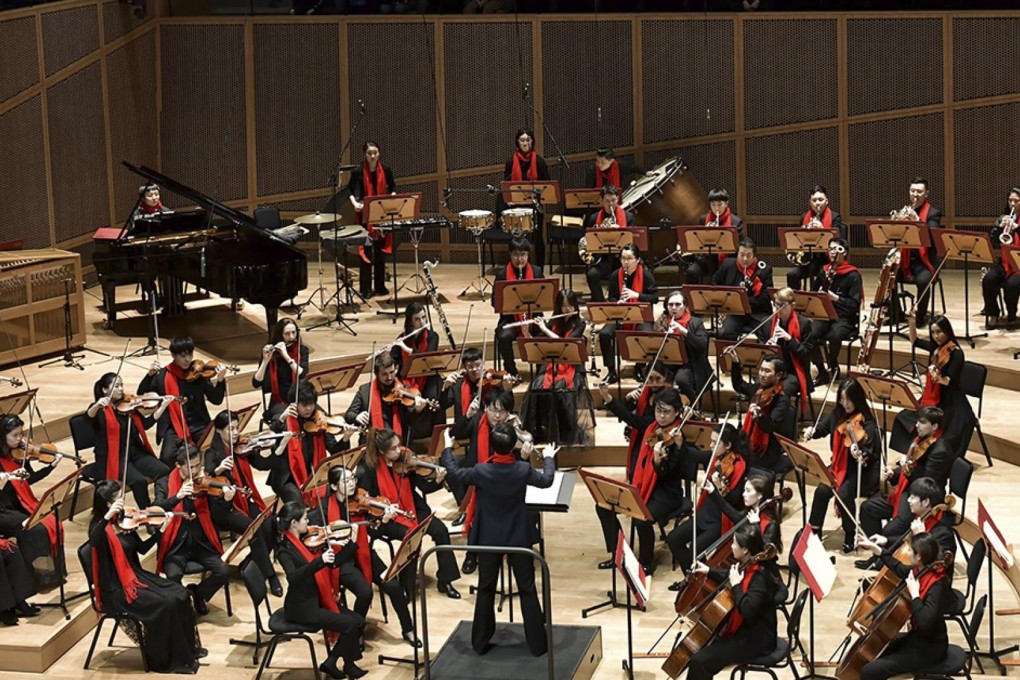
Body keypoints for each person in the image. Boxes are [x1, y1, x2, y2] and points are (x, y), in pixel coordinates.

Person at [441, 423, 557, 656]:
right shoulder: (522, 470)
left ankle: (480, 643)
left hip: (489, 539)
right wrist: (549, 458)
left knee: (486, 588)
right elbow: (547, 481)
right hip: (518, 538)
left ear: (492, 446)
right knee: (527, 588)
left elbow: (453, 472)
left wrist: (447, 447)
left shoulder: (481, 471)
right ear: (512, 444)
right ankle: (537, 644)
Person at [88, 480, 204, 673]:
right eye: (119, 498)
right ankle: (166, 659)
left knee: (180, 594)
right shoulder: (99, 527)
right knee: (166, 604)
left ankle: (187, 651)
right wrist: (107, 517)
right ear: (108, 504)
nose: (124, 501)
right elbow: (93, 541)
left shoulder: (123, 520)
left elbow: (142, 549)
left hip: (137, 575)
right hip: (117, 588)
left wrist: (160, 531)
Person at [307, 465, 420, 647]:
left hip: (363, 552)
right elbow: (314, 538)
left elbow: (373, 533)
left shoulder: (361, 502)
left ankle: (408, 629)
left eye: (353, 479)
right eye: (346, 481)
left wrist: (382, 521)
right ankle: (356, 631)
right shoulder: (323, 509)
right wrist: (331, 536)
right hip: (342, 560)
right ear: (334, 486)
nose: (352, 484)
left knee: (393, 586)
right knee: (364, 593)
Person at [596, 386, 696, 574]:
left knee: (642, 519)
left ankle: (645, 562)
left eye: (667, 412)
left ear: (677, 412)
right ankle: (618, 553)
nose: (661, 416)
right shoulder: (651, 427)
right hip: (642, 487)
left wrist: (660, 460)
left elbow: (668, 474)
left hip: (667, 495)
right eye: (659, 410)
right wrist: (608, 398)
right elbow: (631, 419)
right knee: (603, 506)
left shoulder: (680, 440)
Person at [358, 427, 462, 598]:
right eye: (394, 449)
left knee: (440, 530)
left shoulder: (407, 460)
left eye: (399, 445)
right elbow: (366, 501)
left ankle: (445, 580)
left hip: (412, 508)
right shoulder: (369, 469)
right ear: (382, 451)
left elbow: (424, 487)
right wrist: (383, 513)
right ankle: (405, 586)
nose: (399, 450)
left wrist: (438, 479)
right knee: (412, 536)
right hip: (386, 518)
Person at [275, 502, 367, 679]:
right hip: (302, 607)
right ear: (294, 523)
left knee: (358, 621)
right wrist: (320, 561)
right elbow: (293, 577)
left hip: (317, 598)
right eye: (304, 519)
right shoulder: (284, 550)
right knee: (350, 624)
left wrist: (351, 545)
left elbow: (333, 563)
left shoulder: (306, 541)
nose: (308, 522)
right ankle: (335, 663)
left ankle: (341, 663)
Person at [684, 524, 782, 680]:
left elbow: (747, 610)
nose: (731, 545)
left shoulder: (760, 578)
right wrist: (709, 570)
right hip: (747, 630)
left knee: (700, 661)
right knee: (701, 654)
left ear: (745, 550)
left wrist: (736, 585)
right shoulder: (750, 564)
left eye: (735, 543)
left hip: (756, 638)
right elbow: (731, 574)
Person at [853, 532, 951, 680]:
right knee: (877, 652)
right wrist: (875, 548)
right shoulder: (921, 571)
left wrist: (915, 595)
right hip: (916, 638)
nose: (908, 553)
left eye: (910, 550)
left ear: (919, 557)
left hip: (930, 648)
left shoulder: (937, 585)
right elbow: (897, 567)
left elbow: (925, 622)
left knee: (869, 671)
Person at [204, 410, 281, 596]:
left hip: (245, 498)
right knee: (253, 528)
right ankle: (270, 575)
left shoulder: (242, 448)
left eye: (237, 427)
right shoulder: (212, 453)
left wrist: (278, 447)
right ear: (219, 431)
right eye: (230, 429)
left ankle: (250, 563)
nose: (236, 432)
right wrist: (219, 469)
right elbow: (207, 475)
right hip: (224, 507)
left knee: (270, 523)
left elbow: (263, 464)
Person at [665, 423, 750, 587]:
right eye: (711, 441)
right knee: (674, 539)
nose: (711, 446)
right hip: (705, 513)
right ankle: (692, 580)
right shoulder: (716, 458)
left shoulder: (739, 466)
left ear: (728, 445)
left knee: (694, 551)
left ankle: (699, 583)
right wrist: (680, 442)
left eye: (715, 443)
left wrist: (718, 488)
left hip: (720, 520)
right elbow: (693, 455)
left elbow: (733, 501)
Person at [804, 378, 881, 553]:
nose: (845, 404)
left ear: (857, 399)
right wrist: (812, 431)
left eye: (849, 399)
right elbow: (822, 429)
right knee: (822, 490)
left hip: (863, 471)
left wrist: (860, 455)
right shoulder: (836, 415)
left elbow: (870, 453)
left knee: (843, 494)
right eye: (842, 399)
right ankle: (814, 531)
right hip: (840, 466)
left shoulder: (867, 423)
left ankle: (850, 532)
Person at [154, 442, 232, 616]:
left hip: (202, 543)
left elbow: (216, 514)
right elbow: (156, 509)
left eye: (198, 465)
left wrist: (225, 499)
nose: (196, 471)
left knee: (224, 571)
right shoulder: (164, 482)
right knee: (173, 575)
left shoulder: (204, 480)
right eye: (191, 467)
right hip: (176, 546)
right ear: (178, 465)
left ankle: (198, 594)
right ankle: (182, 607)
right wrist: (177, 497)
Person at [451, 388, 519, 574]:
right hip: (478, 481)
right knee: (479, 512)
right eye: (493, 409)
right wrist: (467, 415)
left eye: (502, 411)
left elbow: (520, 461)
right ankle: (472, 555)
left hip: (503, 483)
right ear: (486, 408)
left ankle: (514, 553)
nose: (497, 415)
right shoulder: (477, 419)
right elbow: (456, 433)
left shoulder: (511, 429)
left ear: (508, 412)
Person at [860, 406, 950, 544]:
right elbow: (911, 466)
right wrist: (894, 473)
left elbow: (926, 482)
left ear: (935, 426)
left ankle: (883, 559)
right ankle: (876, 555)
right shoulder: (919, 440)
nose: (917, 425)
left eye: (922, 422)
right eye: (918, 421)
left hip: (921, 501)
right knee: (868, 508)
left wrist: (908, 467)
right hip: (905, 492)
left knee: (889, 531)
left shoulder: (940, 452)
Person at [892, 315, 976, 461]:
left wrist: (937, 377)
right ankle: (911, 454)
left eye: (939, 332)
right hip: (933, 396)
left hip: (951, 400)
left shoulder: (956, 353)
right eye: (933, 332)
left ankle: (930, 457)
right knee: (905, 418)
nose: (936, 336)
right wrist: (912, 321)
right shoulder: (936, 348)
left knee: (944, 432)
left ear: (947, 331)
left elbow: (949, 381)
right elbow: (914, 341)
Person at [138, 336, 228, 467]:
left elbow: (216, 400)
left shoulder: (199, 374)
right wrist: (150, 374)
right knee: (167, 458)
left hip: (198, 423)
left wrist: (220, 381)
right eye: (183, 355)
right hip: (173, 425)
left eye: (190, 354)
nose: (188, 359)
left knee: (217, 450)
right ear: (173, 355)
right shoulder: (163, 375)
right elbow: (142, 392)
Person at [521, 289, 596, 446]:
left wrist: (544, 329)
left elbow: (566, 343)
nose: (567, 310)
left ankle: (565, 429)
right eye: (563, 306)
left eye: (570, 306)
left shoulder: (580, 324)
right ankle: (540, 429)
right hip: (552, 363)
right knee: (536, 386)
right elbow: (538, 344)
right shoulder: (553, 322)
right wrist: (527, 333)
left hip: (571, 365)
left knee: (559, 388)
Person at [87, 372, 172, 508]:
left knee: (163, 470)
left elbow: (145, 425)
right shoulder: (100, 410)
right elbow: (89, 417)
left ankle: (160, 503)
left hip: (135, 452)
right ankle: (147, 513)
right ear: (104, 390)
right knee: (139, 481)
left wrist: (162, 407)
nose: (121, 389)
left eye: (122, 385)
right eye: (116, 386)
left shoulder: (129, 405)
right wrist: (97, 405)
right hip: (113, 457)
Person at [270, 382, 354, 505]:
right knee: (298, 503)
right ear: (294, 404)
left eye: (311, 404)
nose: (309, 408)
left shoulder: (319, 422)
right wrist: (283, 418)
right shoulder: (283, 419)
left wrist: (346, 438)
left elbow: (334, 449)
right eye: (304, 405)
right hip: (288, 477)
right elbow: (273, 434)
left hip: (314, 474)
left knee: (338, 494)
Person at [0, 414, 59, 579]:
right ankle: (35, 574)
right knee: (34, 528)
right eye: (15, 435)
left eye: (21, 433)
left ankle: (54, 573)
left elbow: (29, 479)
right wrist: (9, 476)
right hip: (3, 509)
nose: (20, 439)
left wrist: (50, 468)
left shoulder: (18, 454)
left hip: (19, 503)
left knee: (52, 522)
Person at [856, 476, 957, 571]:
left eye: (913, 498)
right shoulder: (921, 518)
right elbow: (906, 542)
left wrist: (921, 538)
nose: (908, 500)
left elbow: (934, 566)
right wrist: (886, 540)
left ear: (926, 502)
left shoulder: (943, 532)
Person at [598, 243, 659, 384]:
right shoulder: (615, 275)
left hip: (642, 315)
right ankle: (612, 371)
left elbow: (655, 298)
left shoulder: (646, 274)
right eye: (623, 258)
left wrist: (637, 295)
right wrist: (617, 302)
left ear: (637, 260)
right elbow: (611, 297)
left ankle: (639, 367)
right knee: (604, 334)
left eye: (629, 258)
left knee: (645, 334)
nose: (625, 262)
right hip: (621, 315)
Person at [727, 353, 794, 473]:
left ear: (778, 375)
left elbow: (770, 426)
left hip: (768, 449)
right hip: (748, 440)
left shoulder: (782, 399)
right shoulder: (758, 389)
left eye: (767, 371)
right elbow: (739, 385)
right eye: (761, 370)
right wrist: (736, 363)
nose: (762, 374)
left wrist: (760, 416)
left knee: (740, 467)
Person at [345, 352, 431, 446]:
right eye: (384, 374)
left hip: (399, 444)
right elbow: (349, 415)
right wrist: (357, 417)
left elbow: (411, 422)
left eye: (392, 372)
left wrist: (418, 410)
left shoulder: (404, 391)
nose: (389, 377)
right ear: (376, 374)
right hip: (373, 445)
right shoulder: (365, 391)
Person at [808, 238, 862, 386]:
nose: (832, 252)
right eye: (830, 249)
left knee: (834, 335)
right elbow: (812, 294)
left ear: (844, 253)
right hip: (825, 314)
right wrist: (818, 295)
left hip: (844, 317)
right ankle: (822, 371)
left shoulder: (853, 275)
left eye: (836, 249)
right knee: (809, 334)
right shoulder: (824, 271)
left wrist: (836, 298)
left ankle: (833, 363)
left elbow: (854, 305)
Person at [348, 140, 396, 299]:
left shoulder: (387, 169)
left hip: (382, 213)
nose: (373, 156)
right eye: (369, 153)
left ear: (379, 153)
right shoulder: (358, 171)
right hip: (365, 214)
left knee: (380, 252)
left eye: (375, 153)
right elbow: (349, 189)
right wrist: (355, 203)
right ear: (365, 155)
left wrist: (393, 199)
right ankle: (365, 289)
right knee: (367, 252)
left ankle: (380, 286)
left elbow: (393, 187)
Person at [493, 237, 545, 379]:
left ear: (528, 255)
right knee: (503, 336)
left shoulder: (537, 272)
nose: (520, 259)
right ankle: (512, 371)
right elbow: (494, 302)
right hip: (510, 319)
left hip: (534, 318)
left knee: (544, 334)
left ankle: (541, 372)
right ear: (510, 255)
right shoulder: (502, 275)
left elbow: (546, 298)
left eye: (523, 254)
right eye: (516, 254)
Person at [894, 177, 943, 325]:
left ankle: (920, 317)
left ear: (926, 193)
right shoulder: (905, 211)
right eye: (913, 191)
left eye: (919, 191)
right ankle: (896, 314)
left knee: (923, 281)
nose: (915, 194)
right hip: (906, 260)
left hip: (925, 262)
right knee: (887, 276)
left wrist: (918, 221)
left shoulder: (934, 213)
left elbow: (933, 237)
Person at [390, 302, 441, 441]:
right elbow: (391, 361)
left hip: (428, 377)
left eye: (424, 318)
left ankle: (437, 436)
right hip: (408, 381)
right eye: (417, 319)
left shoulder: (432, 336)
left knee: (435, 396)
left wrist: (407, 350)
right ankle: (406, 439)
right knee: (399, 400)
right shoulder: (403, 338)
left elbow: (427, 359)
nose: (422, 322)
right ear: (410, 321)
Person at [501, 129, 550, 267]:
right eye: (522, 140)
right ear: (517, 142)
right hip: (516, 207)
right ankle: (516, 266)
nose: (525, 143)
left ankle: (538, 268)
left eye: (528, 140)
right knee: (517, 238)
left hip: (535, 206)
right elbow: (506, 184)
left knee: (538, 238)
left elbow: (547, 186)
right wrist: (508, 198)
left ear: (532, 142)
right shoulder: (511, 162)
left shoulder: (539, 162)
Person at [654, 290, 712, 406]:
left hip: (691, 365)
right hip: (668, 363)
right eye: (670, 305)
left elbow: (702, 346)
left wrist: (683, 331)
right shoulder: (662, 322)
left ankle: (693, 407)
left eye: (678, 304)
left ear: (685, 306)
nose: (674, 308)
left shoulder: (696, 323)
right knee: (653, 374)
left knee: (682, 380)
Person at [712, 238, 774, 341]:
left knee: (769, 332)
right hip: (735, 312)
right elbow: (715, 281)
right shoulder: (728, 264)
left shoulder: (764, 270)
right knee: (725, 333)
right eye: (741, 255)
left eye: (748, 255)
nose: (744, 259)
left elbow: (766, 296)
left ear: (754, 256)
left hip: (757, 312)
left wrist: (743, 302)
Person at [786, 185, 846, 289]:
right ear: (810, 202)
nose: (817, 203)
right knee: (792, 275)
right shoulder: (804, 217)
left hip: (826, 260)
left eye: (820, 200)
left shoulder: (835, 217)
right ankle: (796, 302)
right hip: (808, 259)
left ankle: (815, 300)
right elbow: (797, 241)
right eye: (814, 200)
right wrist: (805, 232)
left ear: (826, 201)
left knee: (821, 275)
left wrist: (822, 229)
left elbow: (838, 242)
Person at [583, 185, 634, 303]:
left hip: (621, 260)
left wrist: (620, 230)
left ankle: (616, 301)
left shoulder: (628, 217)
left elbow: (631, 243)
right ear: (601, 201)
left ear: (618, 199)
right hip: (603, 259)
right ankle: (599, 302)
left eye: (613, 200)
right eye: (607, 201)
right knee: (592, 274)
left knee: (618, 274)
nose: (610, 204)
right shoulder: (593, 218)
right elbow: (588, 240)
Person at [766, 287, 813, 411]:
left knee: (781, 392)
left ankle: (779, 422)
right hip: (775, 370)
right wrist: (768, 347)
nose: (778, 309)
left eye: (782, 306)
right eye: (776, 305)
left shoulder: (804, 324)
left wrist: (789, 339)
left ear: (793, 306)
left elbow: (806, 355)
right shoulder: (770, 323)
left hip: (794, 372)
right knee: (758, 385)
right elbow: (765, 354)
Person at [684, 188, 744, 284]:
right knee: (692, 271)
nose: (716, 208)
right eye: (713, 205)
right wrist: (706, 232)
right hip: (708, 258)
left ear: (726, 203)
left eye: (720, 204)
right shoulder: (704, 219)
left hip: (728, 259)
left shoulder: (736, 222)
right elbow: (699, 243)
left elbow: (739, 245)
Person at [252, 317, 308, 416]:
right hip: (279, 402)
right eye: (287, 334)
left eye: (294, 332)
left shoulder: (302, 350)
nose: (291, 337)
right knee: (289, 418)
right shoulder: (271, 354)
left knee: (318, 416)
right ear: (280, 335)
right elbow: (256, 383)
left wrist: (286, 356)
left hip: (301, 399)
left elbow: (302, 374)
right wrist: (265, 361)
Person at [982, 187, 1020, 327]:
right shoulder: (1003, 217)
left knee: (1012, 284)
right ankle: (993, 313)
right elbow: (994, 241)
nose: (1012, 204)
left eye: (1016, 201)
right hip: (1005, 262)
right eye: (1010, 200)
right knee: (988, 279)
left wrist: (1017, 228)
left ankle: (1011, 315)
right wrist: (999, 228)